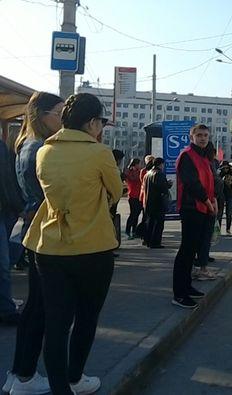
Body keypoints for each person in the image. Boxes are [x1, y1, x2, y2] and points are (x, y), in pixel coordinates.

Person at [21, 92, 122, 395]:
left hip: (49, 247)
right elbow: (116, 192)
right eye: (100, 122)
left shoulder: (44, 151)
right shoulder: (99, 153)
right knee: (87, 317)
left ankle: (59, 389)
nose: (101, 128)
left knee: (56, 322)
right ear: (91, 122)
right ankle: (76, 378)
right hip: (93, 248)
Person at [3, 92, 64, 395]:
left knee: (34, 308)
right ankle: (25, 376)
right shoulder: (40, 148)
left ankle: (19, 373)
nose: (62, 118)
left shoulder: (26, 145)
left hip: (35, 233)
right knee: (40, 309)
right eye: (58, 112)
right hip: (45, 236)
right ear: (41, 115)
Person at [173, 124, 217, 309]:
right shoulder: (187, 155)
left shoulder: (203, 156)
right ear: (191, 137)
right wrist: (207, 201)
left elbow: (209, 181)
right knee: (186, 250)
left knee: (193, 250)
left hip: (204, 207)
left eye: (205, 135)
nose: (203, 138)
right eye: (199, 135)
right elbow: (191, 183)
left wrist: (213, 199)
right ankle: (179, 293)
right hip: (192, 208)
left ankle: (187, 286)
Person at [0, 138, 23, 326]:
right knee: (3, 262)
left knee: (4, 261)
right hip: (7, 210)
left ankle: (6, 308)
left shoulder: (2, 148)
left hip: (5, 210)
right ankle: (6, 309)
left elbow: (8, 179)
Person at [192, 144, 218, 282]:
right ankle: (202, 269)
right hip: (202, 206)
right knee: (203, 238)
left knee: (198, 239)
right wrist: (211, 202)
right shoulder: (207, 164)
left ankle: (199, 268)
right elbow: (209, 185)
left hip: (203, 204)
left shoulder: (205, 163)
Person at [143, 158, 170, 249]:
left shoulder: (148, 174)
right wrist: (168, 185)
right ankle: (155, 242)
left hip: (148, 201)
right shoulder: (159, 174)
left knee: (149, 222)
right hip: (158, 202)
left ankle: (147, 240)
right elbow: (162, 188)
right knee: (158, 224)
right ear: (160, 164)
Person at [124, 158, 143, 240]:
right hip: (132, 195)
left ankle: (134, 231)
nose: (140, 165)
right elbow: (134, 179)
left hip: (139, 195)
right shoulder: (130, 172)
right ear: (135, 164)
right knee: (133, 214)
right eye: (138, 164)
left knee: (137, 214)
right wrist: (137, 171)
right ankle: (127, 231)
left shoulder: (139, 171)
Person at [137, 155, 154, 241]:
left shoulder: (150, 171)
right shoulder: (144, 171)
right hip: (145, 196)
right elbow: (143, 183)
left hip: (147, 196)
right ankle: (144, 234)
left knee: (147, 216)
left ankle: (146, 235)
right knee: (145, 216)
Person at [219, 161, 232, 233]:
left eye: (227, 167)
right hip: (221, 194)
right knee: (220, 213)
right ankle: (219, 228)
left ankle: (228, 228)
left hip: (230, 194)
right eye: (224, 168)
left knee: (229, 213)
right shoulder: (220, 173)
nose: (226, 169)